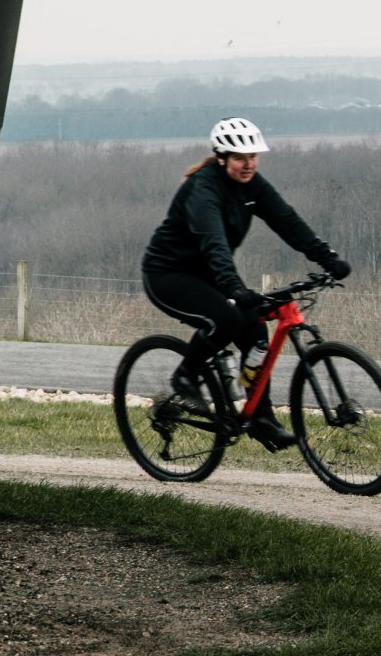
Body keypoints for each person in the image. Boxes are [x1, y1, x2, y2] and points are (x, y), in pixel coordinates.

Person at [140, 117, 351, 450]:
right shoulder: (203, 190)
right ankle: (185, 377)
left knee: (255, 332)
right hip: (168, 275)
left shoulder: (253, 185)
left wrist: (328, 257)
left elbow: (288, 222)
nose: (249, 163)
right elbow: (214, 244)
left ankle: (260, 417)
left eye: (253, 156)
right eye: (240, 158)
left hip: (210, 275)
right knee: (225, 321)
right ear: (222, 158)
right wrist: (235, 288)